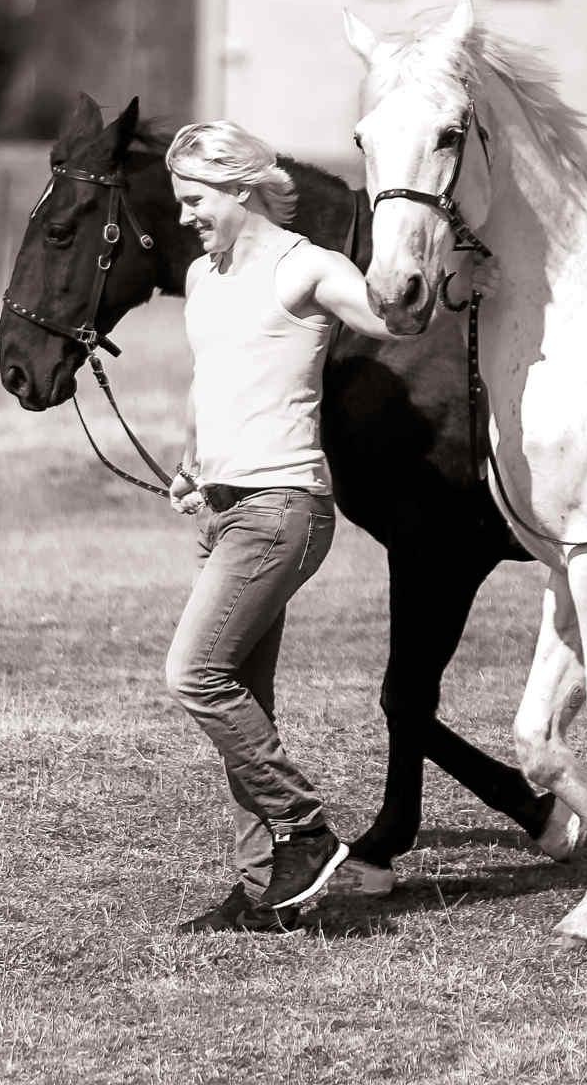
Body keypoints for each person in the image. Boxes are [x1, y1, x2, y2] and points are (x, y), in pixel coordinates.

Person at [160, 120, 402, 934]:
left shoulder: (305, 267)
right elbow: (211, 374)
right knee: (244, 699)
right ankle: (268, 887)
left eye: (196, 199)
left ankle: (304, 830)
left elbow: (387, 316)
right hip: (226, 508)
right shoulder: (202, 276)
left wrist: (426, 272)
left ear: (242, 186)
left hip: (283, 509)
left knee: (195, 675)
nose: (187, 216)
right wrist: (192, 462)